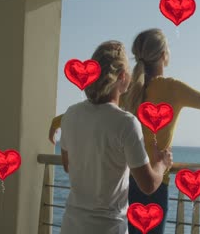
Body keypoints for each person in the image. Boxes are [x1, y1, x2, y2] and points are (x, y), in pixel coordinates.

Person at [50, 29, 200, 234]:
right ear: (163, 55)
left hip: (123, 185)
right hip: (151, 185)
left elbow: (93, 113)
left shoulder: (124, 94)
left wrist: (56, 122)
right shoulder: (167, 89)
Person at [58, 40, 173, 234]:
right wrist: (162, 163)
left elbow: (68, 165)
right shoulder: (125, 123)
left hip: (72, 225)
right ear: (122, 77)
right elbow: (148, 185)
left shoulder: (71, 114)